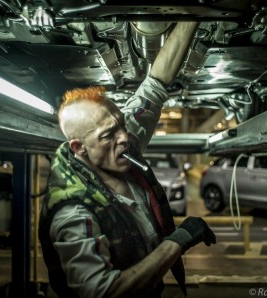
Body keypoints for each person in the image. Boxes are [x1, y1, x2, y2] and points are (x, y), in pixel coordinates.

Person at [38, 22, 216, 298]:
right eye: (110, 134)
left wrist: (193, 17)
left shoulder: (113, 143)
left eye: (121, 124)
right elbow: (104, 293)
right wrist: (177, 242)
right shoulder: (73, 214)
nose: (125, 138)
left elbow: (155, 85)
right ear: (79, 148)